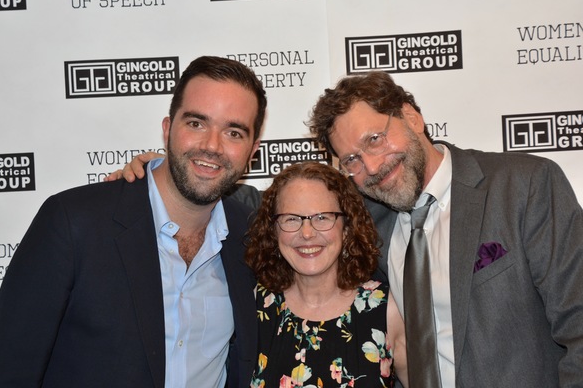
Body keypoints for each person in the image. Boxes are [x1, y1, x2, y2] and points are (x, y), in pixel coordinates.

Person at [107, 71, 583, 387]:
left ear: (413, 118)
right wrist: (168, 173)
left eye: (375, 138)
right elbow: (282, 202)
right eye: (352, 158)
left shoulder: (524, 186)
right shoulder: (366, 211)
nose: (373, 165)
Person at [0, 55, 266, 388]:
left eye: (234, 132)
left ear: (253, 151)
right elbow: (4, 373)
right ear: (167, 129)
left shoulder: (254, 239)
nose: (211, 146)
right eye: (196, 123)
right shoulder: (74, 224)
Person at [245, 161, 407, 387]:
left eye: (322, 217)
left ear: (347, 226)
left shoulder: (387, 310)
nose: (307, 233)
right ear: (273, 230)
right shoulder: (255, 307)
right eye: (291, 218)